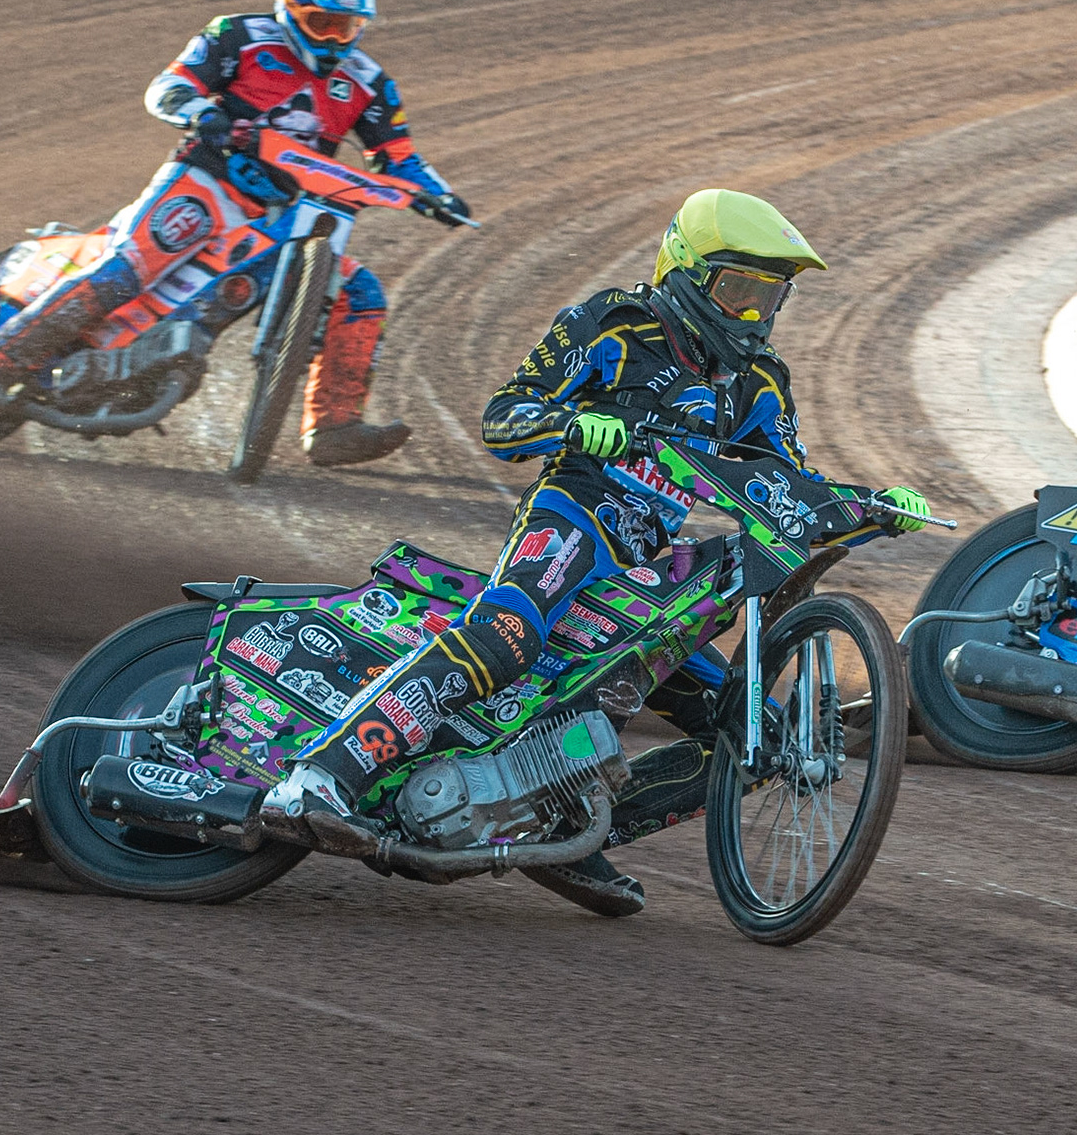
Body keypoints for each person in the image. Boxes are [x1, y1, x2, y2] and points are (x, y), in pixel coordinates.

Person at [265, 189, 933, 912]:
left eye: (768, 297)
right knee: (505, 637)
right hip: (573, 521)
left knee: (751, 731)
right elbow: (502, 417)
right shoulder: (612, 324)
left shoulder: (761, 381)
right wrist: (575, 425)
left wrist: (871, 504)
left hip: (647, 570)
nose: (753, 315)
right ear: (687, 272)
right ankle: (322, 777)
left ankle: (565, 831)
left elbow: (789, 486)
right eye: (738, 291)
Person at [0, 0, 469, 466]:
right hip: (205, 180)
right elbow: (168, 87)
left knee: (360, 292)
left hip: (279, 217)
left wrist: (441, 197)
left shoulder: (368, 83)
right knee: (129, 268)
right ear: (291, 10)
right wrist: (202, 113)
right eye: (322, 24)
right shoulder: (237, 35)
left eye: (348, 27)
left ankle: (334, 425)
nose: (335, 40)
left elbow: (399, 158)